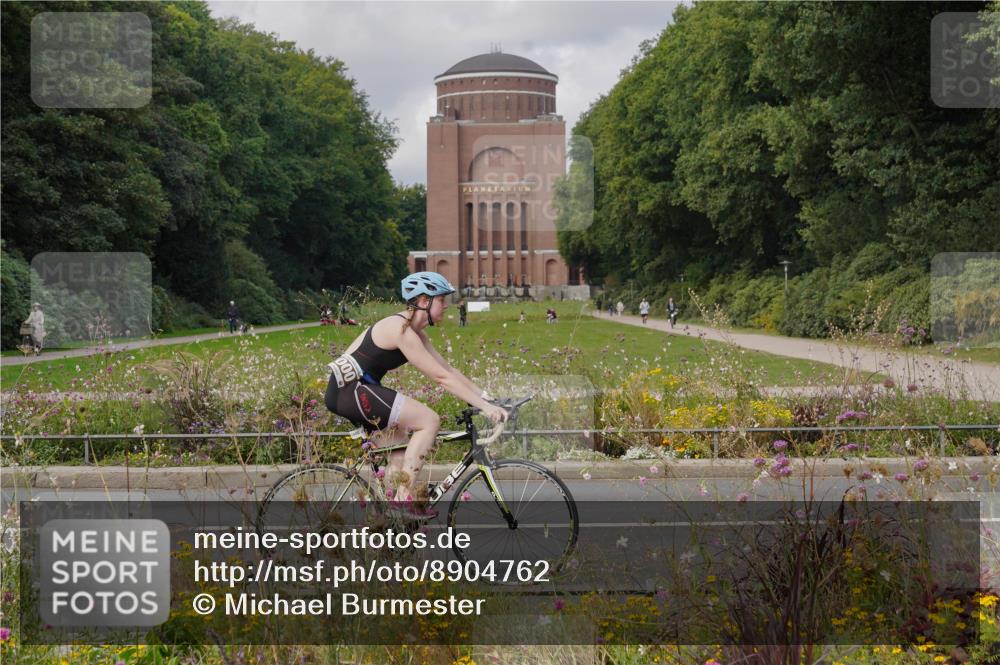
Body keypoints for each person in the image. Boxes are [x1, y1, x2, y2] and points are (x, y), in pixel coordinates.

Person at [323, 271, 507, 518]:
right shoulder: (399, 329)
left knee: (398, 455)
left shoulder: (416, 332)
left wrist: (488, 398)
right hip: (351, 391)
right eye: (441, 300)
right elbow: (440, 378)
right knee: (428, 420)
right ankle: (402, 503)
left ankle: (391, 523)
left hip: (356, 391)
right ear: (423, 301)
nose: (446, 306)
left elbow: (448, 370)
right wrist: (485, 408)